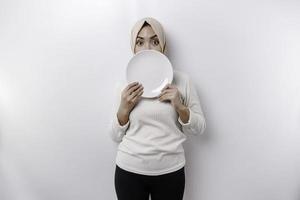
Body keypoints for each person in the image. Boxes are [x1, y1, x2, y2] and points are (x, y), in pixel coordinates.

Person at [108, 17, 206, 200]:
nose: (147, 48)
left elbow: (200, 128)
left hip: (171, 172)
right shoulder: (124, 85)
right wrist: (124, 109)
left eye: (154, 41)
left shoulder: (182, 81)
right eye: (140, 42)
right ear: (133, 48)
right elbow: (114, 136)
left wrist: (180, 106)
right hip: (129, 171)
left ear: (163, 46)